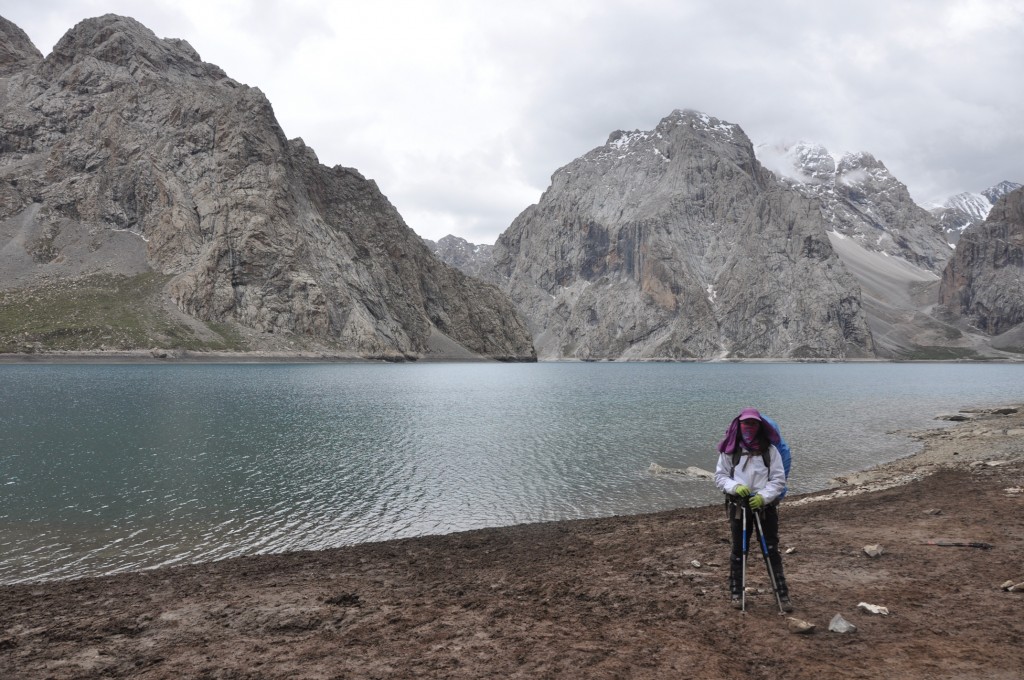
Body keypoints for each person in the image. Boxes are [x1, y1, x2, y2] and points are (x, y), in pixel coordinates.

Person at [714, 407, 793, 611]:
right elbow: (720, 477)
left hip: (765, 507)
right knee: (739, 550)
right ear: (738, 425)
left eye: (753, 423)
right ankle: (736, 592)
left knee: (771, 549)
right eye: (745, 423)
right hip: (739, 507)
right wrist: (735, 487)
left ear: (760, 426)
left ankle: (782, 593)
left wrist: (763, 497)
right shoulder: (730, 450)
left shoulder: (770, 451)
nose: (749, 427)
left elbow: (778, 480)